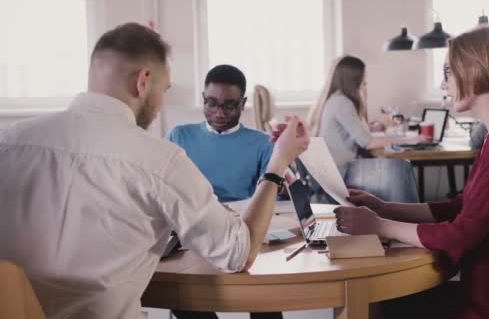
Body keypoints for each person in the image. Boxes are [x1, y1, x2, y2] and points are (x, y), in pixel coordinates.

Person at [0, 22, 309, 319]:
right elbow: (238, 253)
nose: (162, 102)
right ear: (143, 80)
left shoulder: (9, 142)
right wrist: (278, 163)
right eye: (165, 89)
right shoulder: (160, 160)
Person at [334, 27, 489, 318]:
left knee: (376, 302)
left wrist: (377, 225)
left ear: (473, 71)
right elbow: (463, 207)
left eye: (447, 72)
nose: (443, 85)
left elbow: (461, 234)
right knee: (378, 300)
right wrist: (384, 208)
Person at [307, 55, 426, 177]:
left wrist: (371, 126)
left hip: (335, 170)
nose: (365, 83)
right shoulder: (342, 103)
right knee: (398, 171)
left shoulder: (336, 99)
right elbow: (368, 143)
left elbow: (353, 131)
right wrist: (409, 140)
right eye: (363, 80)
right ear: (353, 79)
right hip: (341, 173)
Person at [168, 65, 273, 202]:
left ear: (242, 104)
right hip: (189, 217)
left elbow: (272, 194)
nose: (219, 114)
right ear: (203, 98)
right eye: (211, 103)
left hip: (240, 218)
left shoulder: (263, 143)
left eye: (229, 106)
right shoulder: (179, 136)